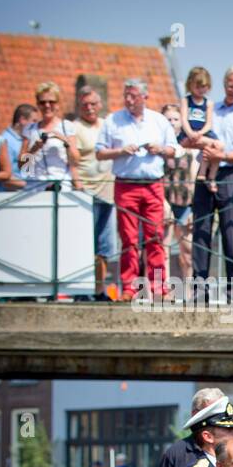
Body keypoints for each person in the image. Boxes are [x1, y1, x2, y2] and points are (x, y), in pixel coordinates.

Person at [95, 80, 177, 300]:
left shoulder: (159, 120)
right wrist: (121, 151)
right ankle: (130, 288)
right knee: (128, 239)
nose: (129, 100)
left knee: (155, 237)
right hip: (125, 184)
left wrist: (160, 149)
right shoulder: (113, 120)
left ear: (144, 97)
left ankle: (159, 287)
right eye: (126, 95)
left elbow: (174, 149)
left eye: (133, 95)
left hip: (153, 185)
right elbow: (99, 153)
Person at [192, 66, 233, 288]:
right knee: (201, 229)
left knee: (230, 232)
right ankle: (200, 289)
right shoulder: (211, 109)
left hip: (230, 173)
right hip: (204, 171)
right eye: (231, 85)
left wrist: (224, 154)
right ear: (224, 84)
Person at [72, 88, 115, 301]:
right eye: (85, 104)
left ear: (100, 105)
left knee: (104, 245)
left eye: (93, 104)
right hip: (85, 191)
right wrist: (77, 182)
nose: (89, 108)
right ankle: (81, 289)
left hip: (107, 191)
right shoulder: (75, 127)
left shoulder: (107, 125)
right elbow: (72, 159)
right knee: (83, 244)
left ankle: (100, 289)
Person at [160, 104, 198, 282]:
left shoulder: (189, 146)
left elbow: (194, 176)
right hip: (164, 200)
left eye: (176, 119)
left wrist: (193, 206)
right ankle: (164, 287)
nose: (172, 123)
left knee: (187, 250)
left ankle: (189, 289)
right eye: (168, 119)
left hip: (185, 201)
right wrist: (162, 202)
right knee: (163, 247)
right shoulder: (159, 146)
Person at [19, 82, 79, 187]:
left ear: (58, 104)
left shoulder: (67, 127)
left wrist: (66, 142)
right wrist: (33, 150)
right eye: (42, 102)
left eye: (51, 102)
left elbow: (76, 162)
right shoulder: (30, 129)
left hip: (61, 187)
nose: (47, 105)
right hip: (35, 188)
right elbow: (24, 169)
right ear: (38, 104)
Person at [179, 67, 222, 192]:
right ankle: (202, 174)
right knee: (213, 145)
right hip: (188, 132)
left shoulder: (208, 103)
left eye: (204, 87)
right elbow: (184, 119)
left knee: (218, 146)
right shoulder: (186, 100)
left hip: (202, 132)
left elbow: (209, 123)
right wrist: (190, 133)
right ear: (190, 85)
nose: (201, 90)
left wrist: (199, 133)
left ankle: (209, 175)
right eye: (198, 87)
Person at [1, 104, 35, 190]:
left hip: (29, 193)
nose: (36, 125)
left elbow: (27, 172)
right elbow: (5, 176)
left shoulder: (25, 140)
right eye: (34, 121)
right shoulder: (6, 141)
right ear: (23, 120)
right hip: (12, 197)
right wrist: (28, 186)